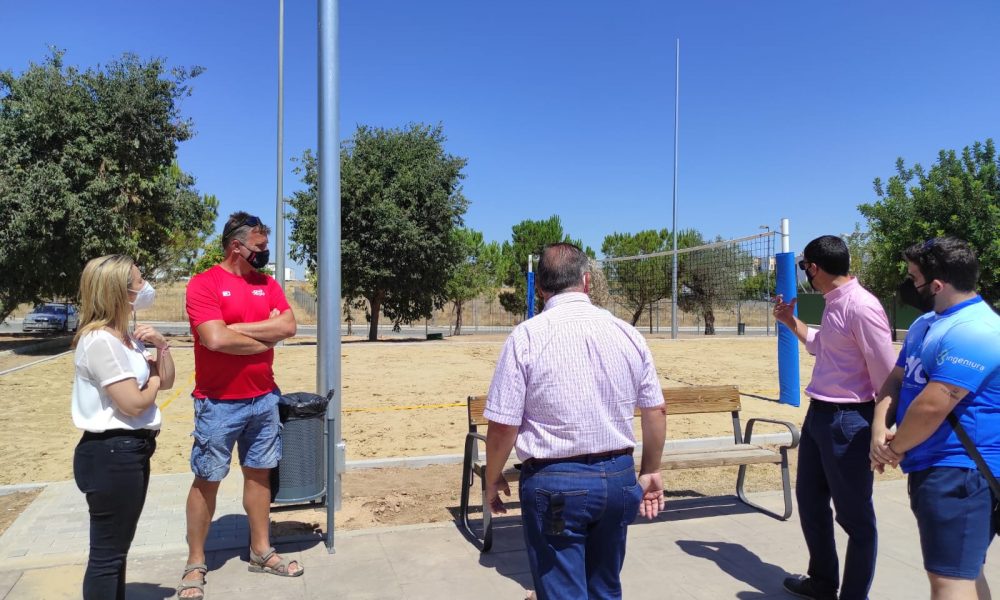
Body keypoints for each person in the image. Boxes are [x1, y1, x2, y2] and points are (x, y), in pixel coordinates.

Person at [483, 242, 667, 600]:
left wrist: (492, 478)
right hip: (618, 479)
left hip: (555, 483)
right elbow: (656, 411)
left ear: (540, 287)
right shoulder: (627, 333)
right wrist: (650, 470)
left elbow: (504, 425)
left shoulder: (526, 337)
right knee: (605, 588)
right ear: (586, 281)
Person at [176, 212, 300, 599]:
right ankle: (195, 563)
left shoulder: (268, 284)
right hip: (217, 404)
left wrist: (235, 330)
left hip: (264, 399)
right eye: (260, 247)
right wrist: (264, 338)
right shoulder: (204, 284)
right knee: (207, 479)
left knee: (259, 476)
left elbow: (289, 327)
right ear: (237, 246)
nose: (265, 253)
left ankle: (261, 551)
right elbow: (214, 340)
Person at [870, 237, 1000, 600]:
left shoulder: (976, 330)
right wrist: (879, 426)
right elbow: (897, 379)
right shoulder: (925, 324)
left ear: (937, 285)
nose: (910, 285)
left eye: (914, 278)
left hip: (960, 471)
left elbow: (932, 406)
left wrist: (892, 449)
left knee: (949, 582)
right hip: (934, 466)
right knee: (964, 573)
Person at [772, 235, 896, 600]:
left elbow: (887, 375)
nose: (804, 274)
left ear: (814, 268)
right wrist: (789, 320)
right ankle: (823, 583)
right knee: (811, 503)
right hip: (820, 416)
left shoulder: (861, 306)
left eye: (804, 267)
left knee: (856, 520)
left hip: (849, 421)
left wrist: (883, 430)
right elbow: (821, 345)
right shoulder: (834, 301)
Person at [72, 254, 175, 600]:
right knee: (107, 556)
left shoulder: (126, 338)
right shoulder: (100, 341)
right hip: (111, 454)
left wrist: (162, 347)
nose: (145, 287)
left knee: (117, 551)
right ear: (118, 291)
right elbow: (132, 403)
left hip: (130, 450)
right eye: (138, 281)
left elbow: (168, 380)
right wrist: (154, 379)